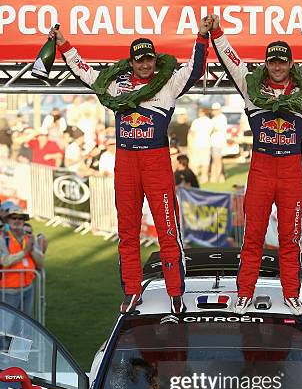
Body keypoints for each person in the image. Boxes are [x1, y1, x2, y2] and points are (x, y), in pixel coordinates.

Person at [50, 19, 212, 314]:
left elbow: (196, 68)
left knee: (167, 230)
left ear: (155, 60)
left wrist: (201, 36)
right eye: (140, 60)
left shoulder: (168, 83)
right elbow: (85, 72)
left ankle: (175, 291)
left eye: (149, 59)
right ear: (132, 62)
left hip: (157, 161)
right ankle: (132, 290)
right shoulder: (116, 85)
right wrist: (63, 43)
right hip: (126, 162)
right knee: (127, 231)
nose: (145, 65)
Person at [210, 12, 302, 314]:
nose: (278, 67)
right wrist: (217, 33)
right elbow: (231, 61)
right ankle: (245, 292)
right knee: (253, 236)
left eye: (283, 62)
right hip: (261, 170)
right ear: (266, 64)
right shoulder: (252, 89)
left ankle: (291, 292)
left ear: (291, 64)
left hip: (291, 172)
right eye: (272, 62)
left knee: (290, 238)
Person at [0, 204, 44, 316]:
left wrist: (32, 249)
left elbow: (40, 264)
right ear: (8, 220)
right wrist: (25, 252)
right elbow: (5, 261)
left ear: (24, 221)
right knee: (8, 325)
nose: (17, 220)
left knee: (26, 324)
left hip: (28, 287)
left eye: (20, 218)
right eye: (13, 217)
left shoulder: (28, 238)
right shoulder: (2, 239)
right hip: (8, 290)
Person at [188, 107, 213, 184]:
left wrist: (190, 144)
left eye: (199, 112)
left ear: (202, 112)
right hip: (206, 144)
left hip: (197, 144)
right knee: (205, 162)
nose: (198, 113)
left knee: (194, 162)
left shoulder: (196, 121)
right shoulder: (210, 122)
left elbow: (192, 133)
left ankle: (194, 178)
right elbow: (211, 132)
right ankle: (204, 178)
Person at [210, 102, 228, 183]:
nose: (214, 111)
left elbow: (215, 129)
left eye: (216, 110)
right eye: (213, 110)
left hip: (218, 142)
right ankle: (216, 177)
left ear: (219, 110)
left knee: (217, 160)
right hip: (214, 142)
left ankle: (217, 177)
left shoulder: (221, 118)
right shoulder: (214, 119)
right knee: (215, 160)